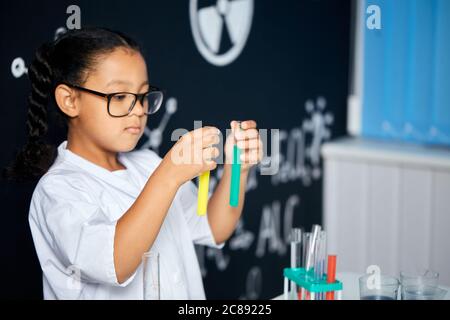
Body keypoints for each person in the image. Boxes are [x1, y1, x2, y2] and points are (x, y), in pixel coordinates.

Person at [5, 27, 263, 299]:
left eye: (142, 96)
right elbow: (115, 263)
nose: (139, 110)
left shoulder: (148, 163)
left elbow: (215, 227)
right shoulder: (57, 190)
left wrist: (238, 170)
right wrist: (169, 175)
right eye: (119, 97)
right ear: (69, 100)